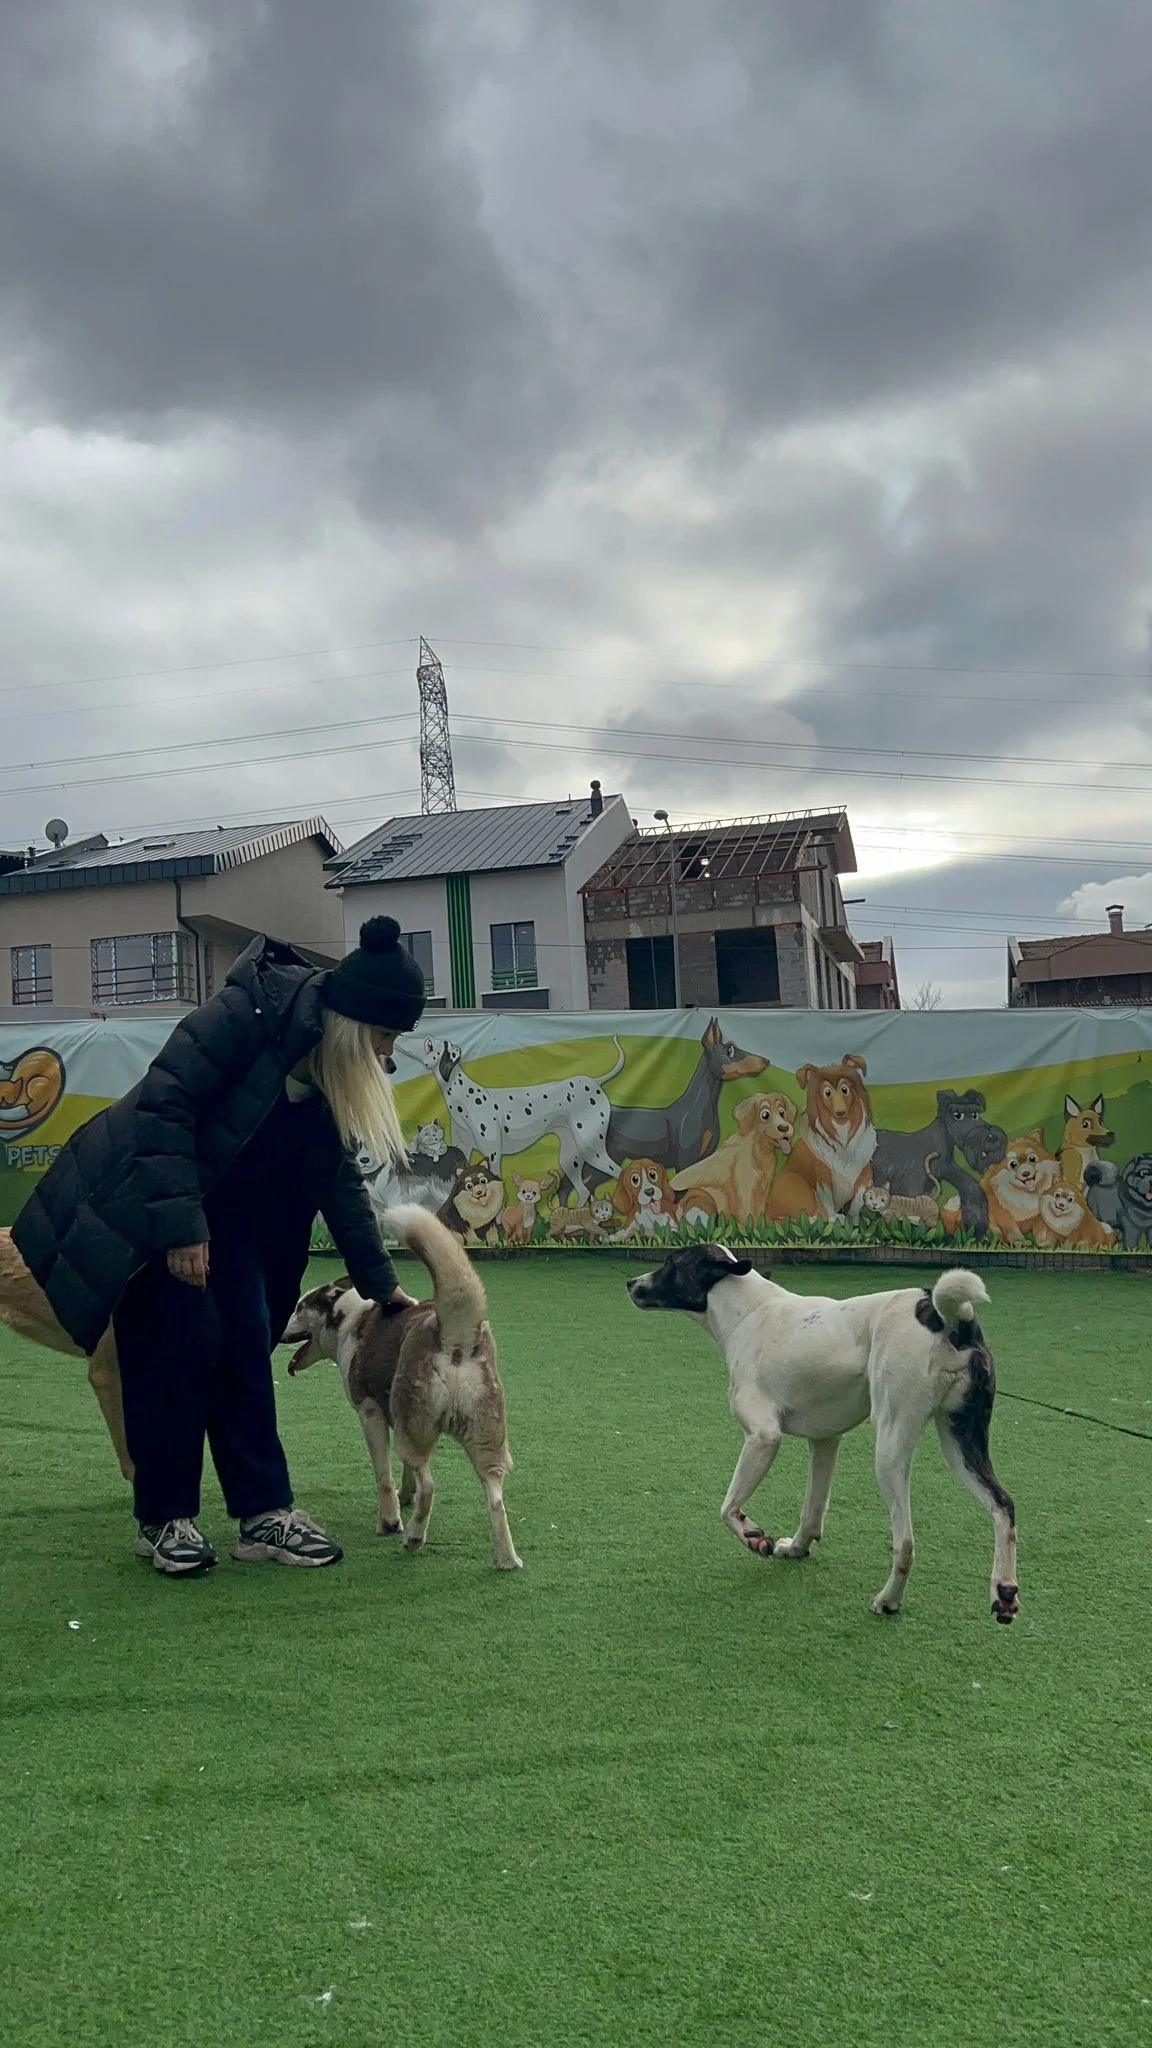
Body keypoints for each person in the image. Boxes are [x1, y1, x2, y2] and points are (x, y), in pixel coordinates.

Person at [12, 916, 425, 1576]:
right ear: (350, 1023)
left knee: (245, 1342)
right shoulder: (245, 1013)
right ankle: (162, 1520)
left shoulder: (330, 1072)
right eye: (384, 1036)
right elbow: (163, 1109)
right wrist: (181, 1229)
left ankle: (264, 1516)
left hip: (236, 1222)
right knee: (179, 1348)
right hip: (150, 1204)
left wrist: (381, 1286)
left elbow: (338, 1180)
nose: (388, 1054)